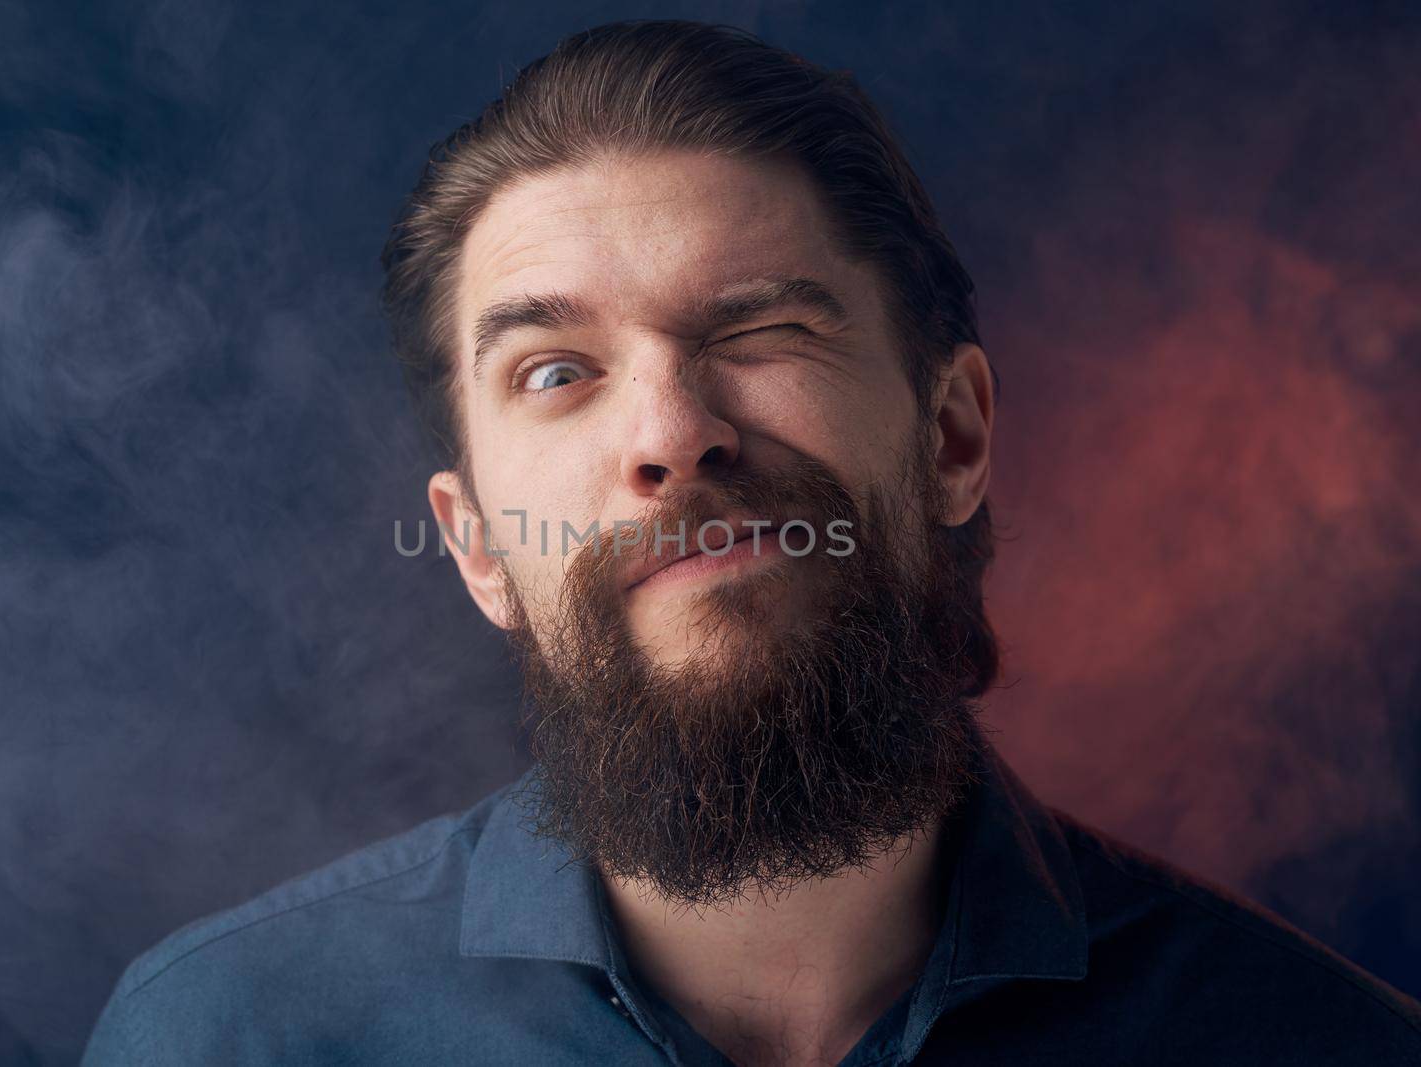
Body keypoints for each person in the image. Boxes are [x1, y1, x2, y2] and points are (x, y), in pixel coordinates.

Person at [83, 19, 1421, 1066]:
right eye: (556, 371)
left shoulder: (1321, 1047)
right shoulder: (228, 1041)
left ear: (952, 438)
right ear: (479, 545)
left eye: (763, 332)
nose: (671, 432)